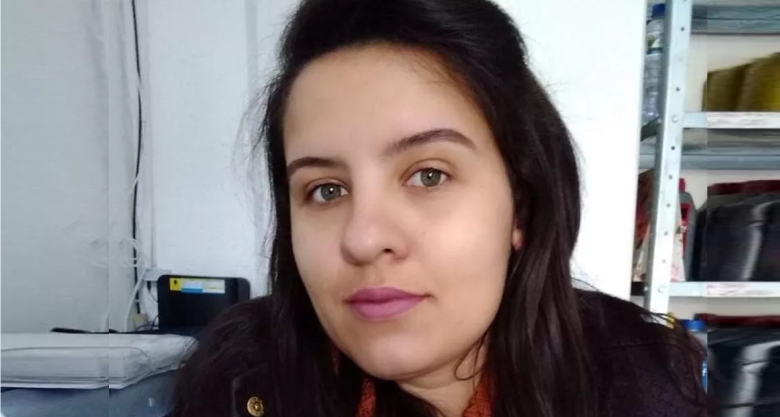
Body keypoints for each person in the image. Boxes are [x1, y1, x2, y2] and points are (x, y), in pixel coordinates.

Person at [172, 0, 708, 416]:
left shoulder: (639, 382)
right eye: (326, 190)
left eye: (429, 175)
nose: (363, 239)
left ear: (521, 206)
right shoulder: (241, 377)